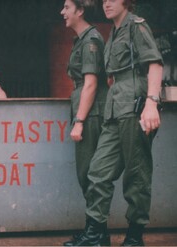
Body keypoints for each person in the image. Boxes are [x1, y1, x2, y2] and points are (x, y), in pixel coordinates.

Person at [67, 0, 163, 246]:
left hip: (134, 108)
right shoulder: (113, 33)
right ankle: (95, 234)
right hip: (113, 110)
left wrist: (151, 102)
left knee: (136, 173)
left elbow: (154, 64)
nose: (107, 3)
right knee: (97, 172)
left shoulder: (136, 26)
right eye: (104, 0)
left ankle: (134, 236)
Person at [59, 0, 108, 245]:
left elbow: (91, 84)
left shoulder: (91, 40)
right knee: (86, 174)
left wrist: (79, 120)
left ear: (80, 11)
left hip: (91, 113)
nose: (62, 12)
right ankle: (98, 233)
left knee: (90, 174)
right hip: (86, 110)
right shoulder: (82, 39)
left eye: (67, 7)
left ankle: (95, 236)